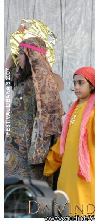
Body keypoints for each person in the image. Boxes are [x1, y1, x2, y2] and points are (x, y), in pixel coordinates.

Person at [44, 67, 95, 217]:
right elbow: (64, 143)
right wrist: (47, 164)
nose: (76, 87)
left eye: (81, 83)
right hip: (68, 176)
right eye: (74, 83)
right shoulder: (73, 109)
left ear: (92, 85)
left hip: (88, 177)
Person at [4, 33, 64, 182]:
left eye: (20, 54)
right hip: (14, 147)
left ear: (31, 56)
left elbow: (50, 121)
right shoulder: (20, 79)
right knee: (12, 191)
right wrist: (18, 37)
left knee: (33, 193)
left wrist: (38, 150)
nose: (17, 58)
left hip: (33, 150)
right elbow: (6, 71)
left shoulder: (45, 84)